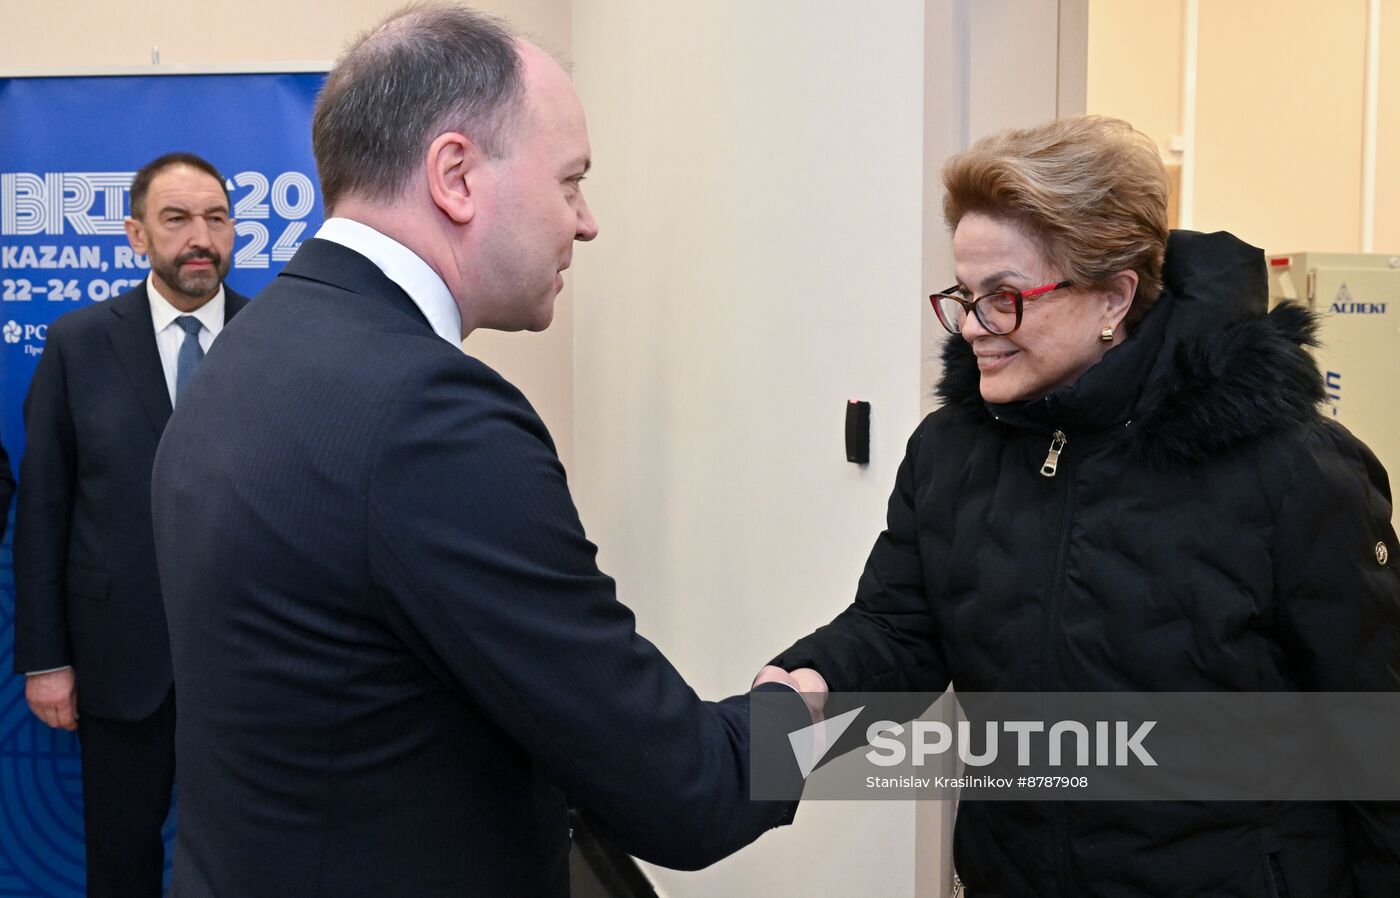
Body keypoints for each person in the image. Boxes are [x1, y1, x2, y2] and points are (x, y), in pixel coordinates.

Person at [149, 7, 808, 898]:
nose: (586, 222)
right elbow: (683, 796)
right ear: (456, 175)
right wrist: (796, 722)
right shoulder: (430, 418)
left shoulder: (250, 349)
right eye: (570, 180)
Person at [757, 115, 1400, 895]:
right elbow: (903, 627)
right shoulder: (950, 451)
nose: (972, 328)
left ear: (1113, 297)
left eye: (1005, 298)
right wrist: (808, 686)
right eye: (963, 295)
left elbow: (1376, 741)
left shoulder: (1288, 470)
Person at [11, 151, 247, 897]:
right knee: (121, 854)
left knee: (252, 854)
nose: (199, 237)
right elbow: (44, 508)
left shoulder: (276, 336)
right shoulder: (77, 344)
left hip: (255, 659)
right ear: (136, 236)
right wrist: (45, 659)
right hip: (121, 660)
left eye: (215, 217)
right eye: (176, 219)